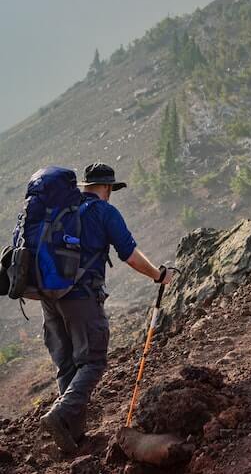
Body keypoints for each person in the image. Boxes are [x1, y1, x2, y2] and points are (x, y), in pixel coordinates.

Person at [39, 163, 174, 453]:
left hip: (48, 297)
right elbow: (130, 254)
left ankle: (73, 437)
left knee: (68, 364)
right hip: (81, 296)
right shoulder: (104, 212)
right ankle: (60, 415)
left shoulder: (60, 210)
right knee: (93, 362)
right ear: (108, 188)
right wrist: (158, 275)